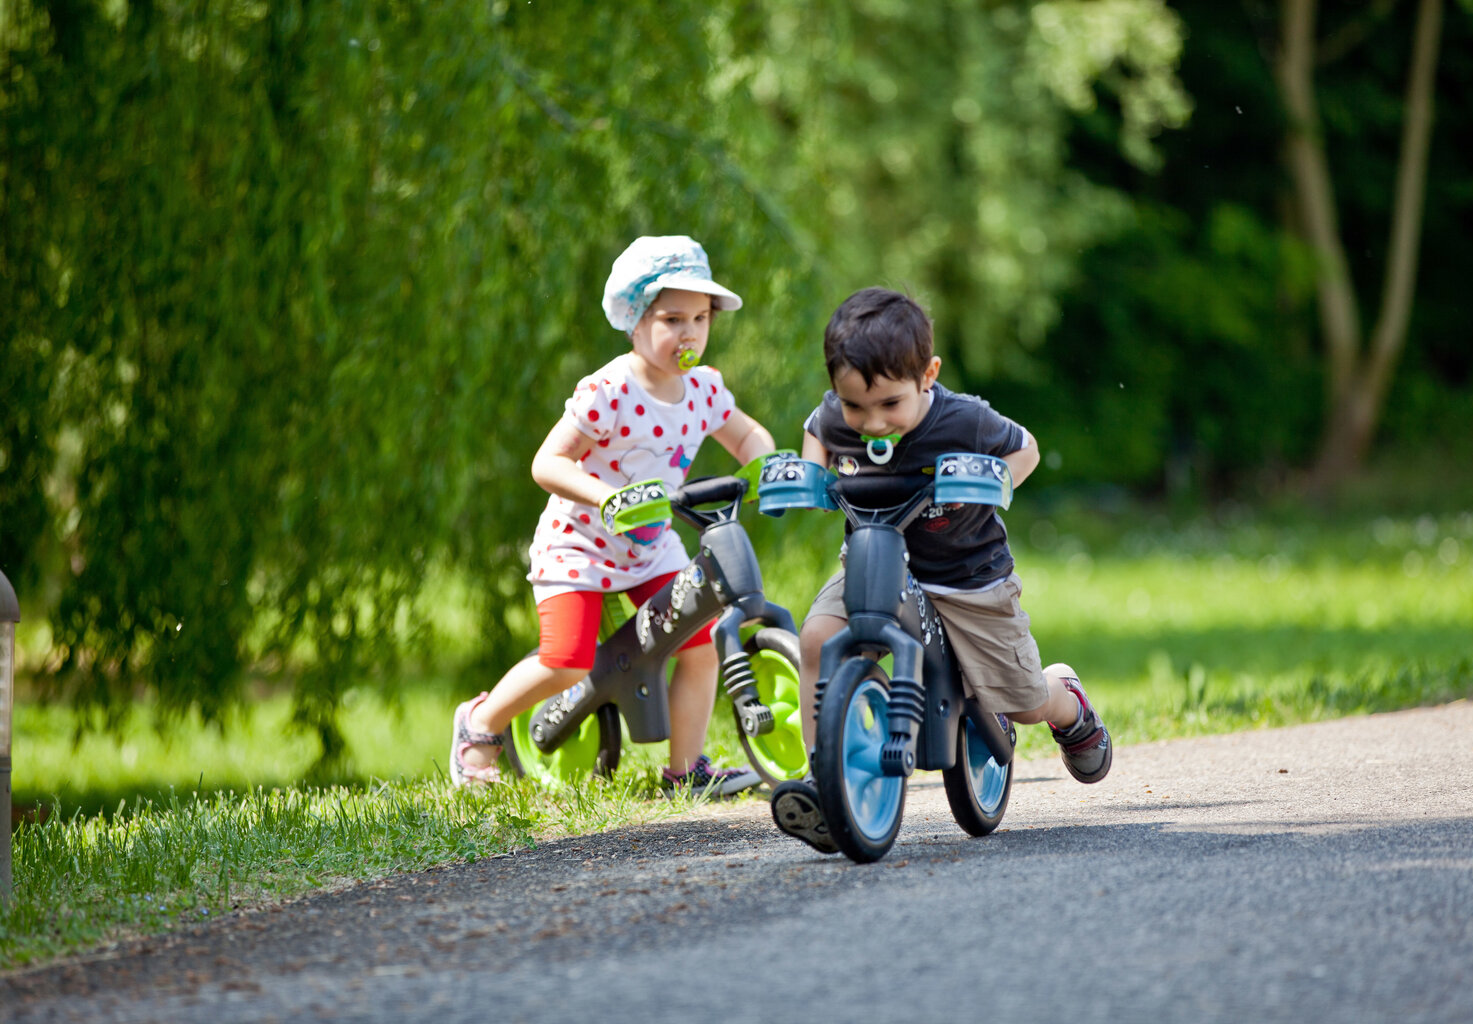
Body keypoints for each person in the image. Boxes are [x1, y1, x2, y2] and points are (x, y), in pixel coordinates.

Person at [770, 287, 1112, 851]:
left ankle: (1065, 697)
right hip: (872, 561)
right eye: (856, 406)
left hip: (969, 580)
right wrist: (813, 475)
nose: (871, 422)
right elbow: (818, 429)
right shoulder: (837, 416)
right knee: (817, 638)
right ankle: (825, 778)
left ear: (927, 375)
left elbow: (1024, 448)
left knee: (1022, 701)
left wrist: (991, 483)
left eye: (889, 405)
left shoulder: (965, 421)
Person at [450, 235, 776, 796]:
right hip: (577, 544)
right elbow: (547, 462)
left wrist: (764, 466)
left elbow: (745, 433)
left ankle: (686, 772)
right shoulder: (610, 389)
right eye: (672, 318)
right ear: (635, 320)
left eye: (701, 318)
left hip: (649, 545)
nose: (689, 333)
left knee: (698, 644)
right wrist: (605, 496)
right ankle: (478, 726)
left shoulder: (702, 389)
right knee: (566, 661)